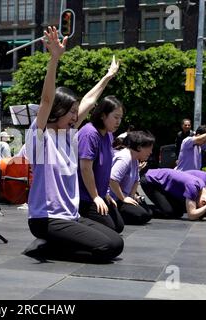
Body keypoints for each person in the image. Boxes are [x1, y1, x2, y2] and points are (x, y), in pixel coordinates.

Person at [23, 26, 123, 262]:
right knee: (108, 248)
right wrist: (54, 59)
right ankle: (46, 247)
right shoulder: (40, 137)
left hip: (71, 217)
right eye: (71, 112)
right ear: (56, 112)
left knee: (116, 238)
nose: (75, 117)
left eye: (76, 113)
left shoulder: (68, 136)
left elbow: (90, 99)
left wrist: (107, 77)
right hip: (46, 220)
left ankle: (54, 245)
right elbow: (46, 99)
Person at [77, 96, 125, 233]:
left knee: (118, 226)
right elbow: (86, 168)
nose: (118, 122)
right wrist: (95, 197)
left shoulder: (109, 135)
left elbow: (104, 167)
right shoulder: (89, 133)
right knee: (109, 229)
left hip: (100, 194)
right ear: (103, 116)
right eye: (116, 117)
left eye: (120, 118)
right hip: (85, 197)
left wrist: (106, 193)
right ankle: (80, 218)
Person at [140, 168, 206, 220]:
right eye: (200, 207)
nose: (197, 207)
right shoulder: (194, 186)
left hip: (166, 186)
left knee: (178, 212)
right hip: (151, 181)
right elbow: (191, 215)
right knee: (169, 212)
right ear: (204, 202)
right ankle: (141, 207)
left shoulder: (202, 186)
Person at [109, 131, 154, 225]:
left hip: (123, 197)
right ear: (139, 147)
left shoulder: (135, 159)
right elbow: (112, 180)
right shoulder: (125, 158)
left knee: (148, 213)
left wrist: (131, 197)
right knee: (141, 215)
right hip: (113, 198)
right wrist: (124, 198)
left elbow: (136, 181)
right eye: (149, 148)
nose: (151, 152)